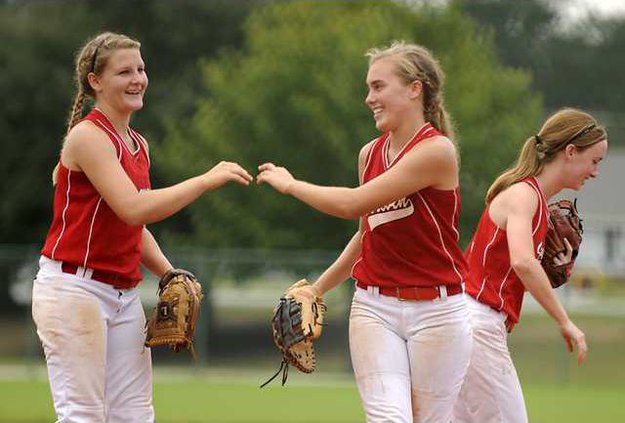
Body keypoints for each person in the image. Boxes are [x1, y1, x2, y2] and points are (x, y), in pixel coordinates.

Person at [31, 32, 252, 423]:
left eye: (141, 68)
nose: (137, 79)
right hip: (74, 289)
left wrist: (168, 272)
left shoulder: (137, 143)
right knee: (83, 413)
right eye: (124, 71)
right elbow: (134, 209)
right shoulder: (87, 136)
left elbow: (133, 226)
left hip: (123, 293)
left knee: (134, 414)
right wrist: (204, 180)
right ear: (95, 81)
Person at [257, 41, 472, 423]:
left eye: (378, 86)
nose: (369, 97)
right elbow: (364, 236)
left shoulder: (436, 151)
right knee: (388, 418)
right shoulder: (369, 154)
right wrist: (318, 289)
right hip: (376, 307)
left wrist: (291, 185)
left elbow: (352, 204)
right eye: (369, 88)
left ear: (414, 88)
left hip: (438, 313)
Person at [452, 108, 607, 423]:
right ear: (570, 151)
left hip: (469, 323)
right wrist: (565, 321)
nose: (595, 172)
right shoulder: (524, 195)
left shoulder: (533, 200)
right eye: (594, 161)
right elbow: (523, 262)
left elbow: (523, 263)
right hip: (477, 324)